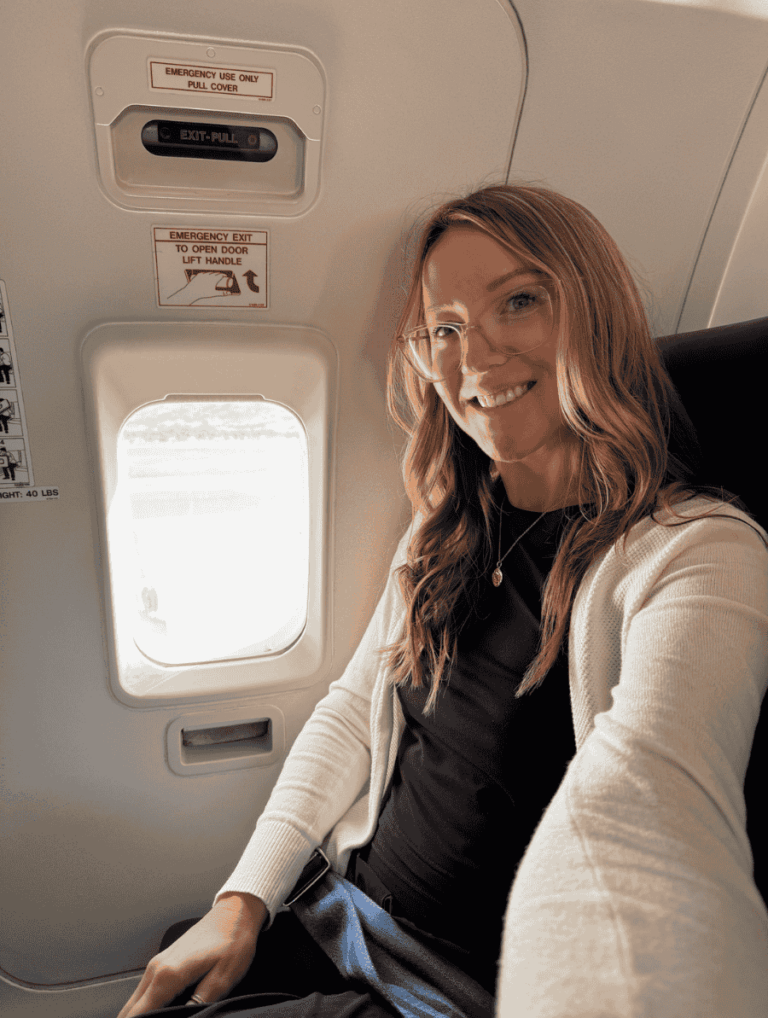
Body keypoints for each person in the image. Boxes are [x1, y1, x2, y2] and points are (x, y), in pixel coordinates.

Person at [118, 183, 768, 1018]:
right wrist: (241, 901)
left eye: (520, 302)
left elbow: (650, 804)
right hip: (341, 919)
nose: (477, 358)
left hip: (455, 996)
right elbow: (355, 710)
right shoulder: (447, 525)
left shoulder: (697, 555)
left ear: (594, 312)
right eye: (445, 329)